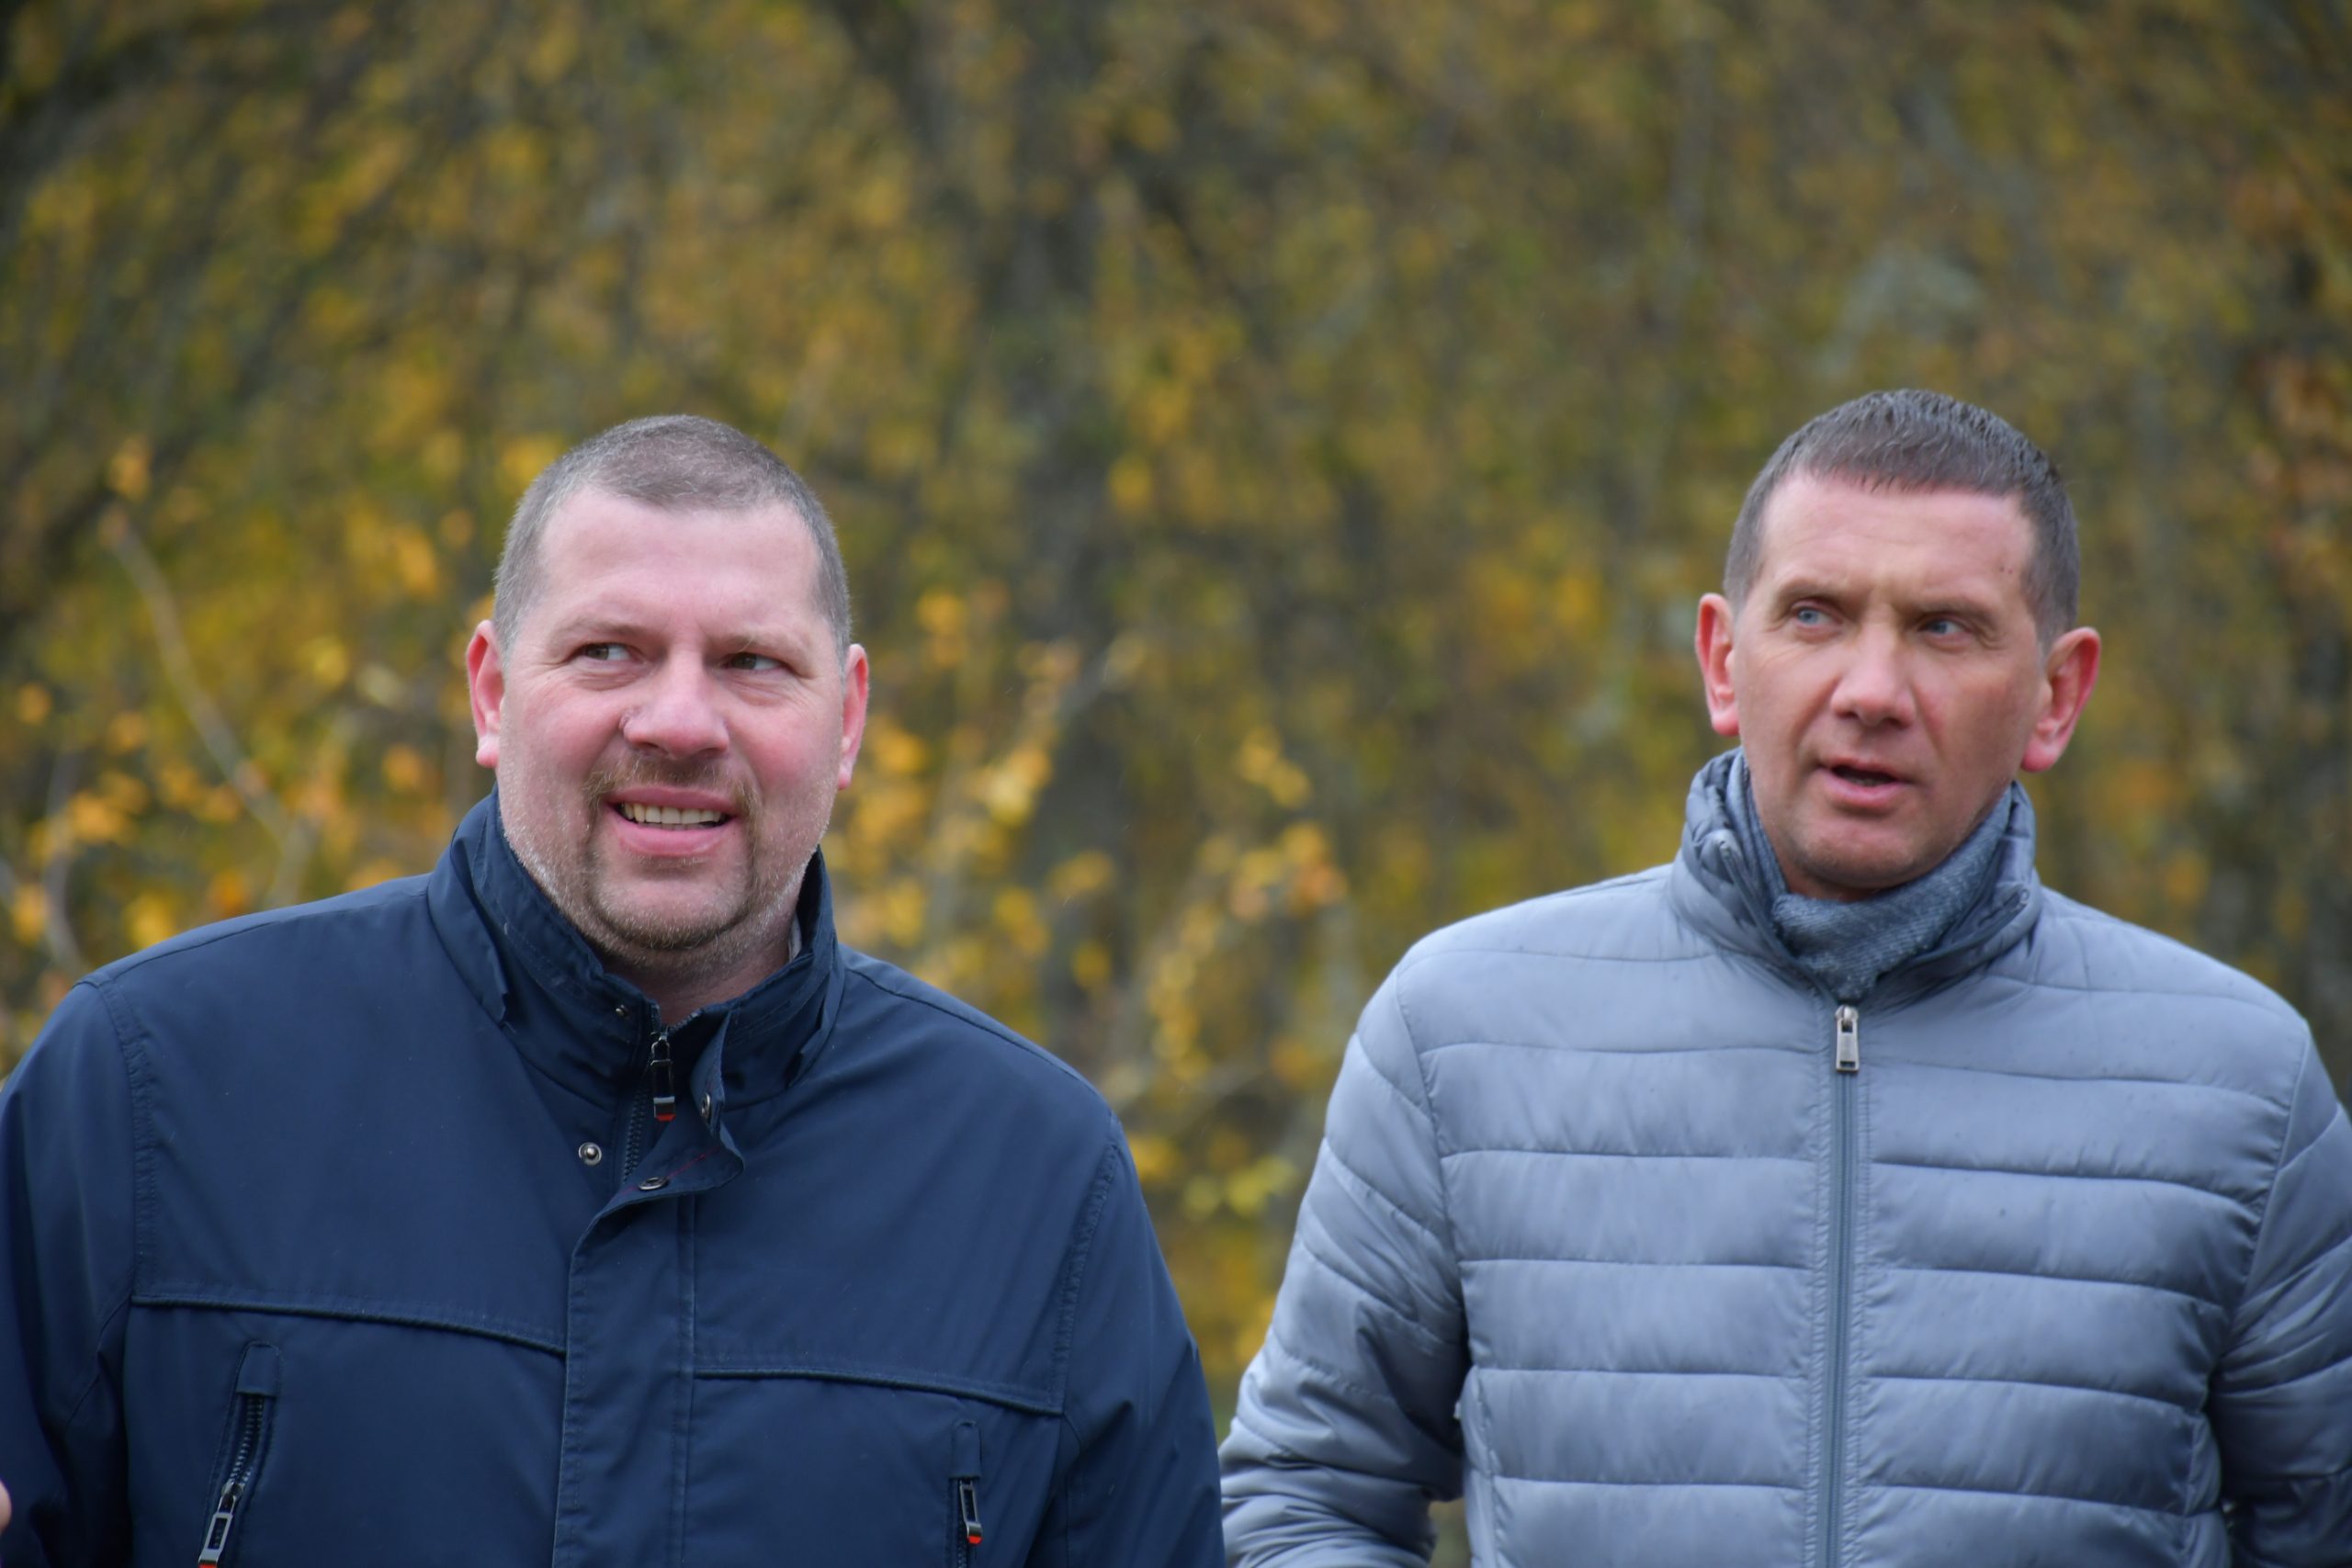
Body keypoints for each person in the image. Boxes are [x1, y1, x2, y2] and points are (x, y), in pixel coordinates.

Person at [0, 415, 1223, 1565]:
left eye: (752, 662)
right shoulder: (151, 1091)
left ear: (847, 718)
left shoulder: (1037, 1182)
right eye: (608, 652)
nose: (680, 721)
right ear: (491, 690)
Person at [1221, 389, 2352, 1565]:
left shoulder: (2242, 1091)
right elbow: (1304, 1495)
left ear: (2055, 697)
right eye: (1815, 615)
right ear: (1723, 660)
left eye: (1944, 628)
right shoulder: (1458, 1033)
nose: (1870, 690)